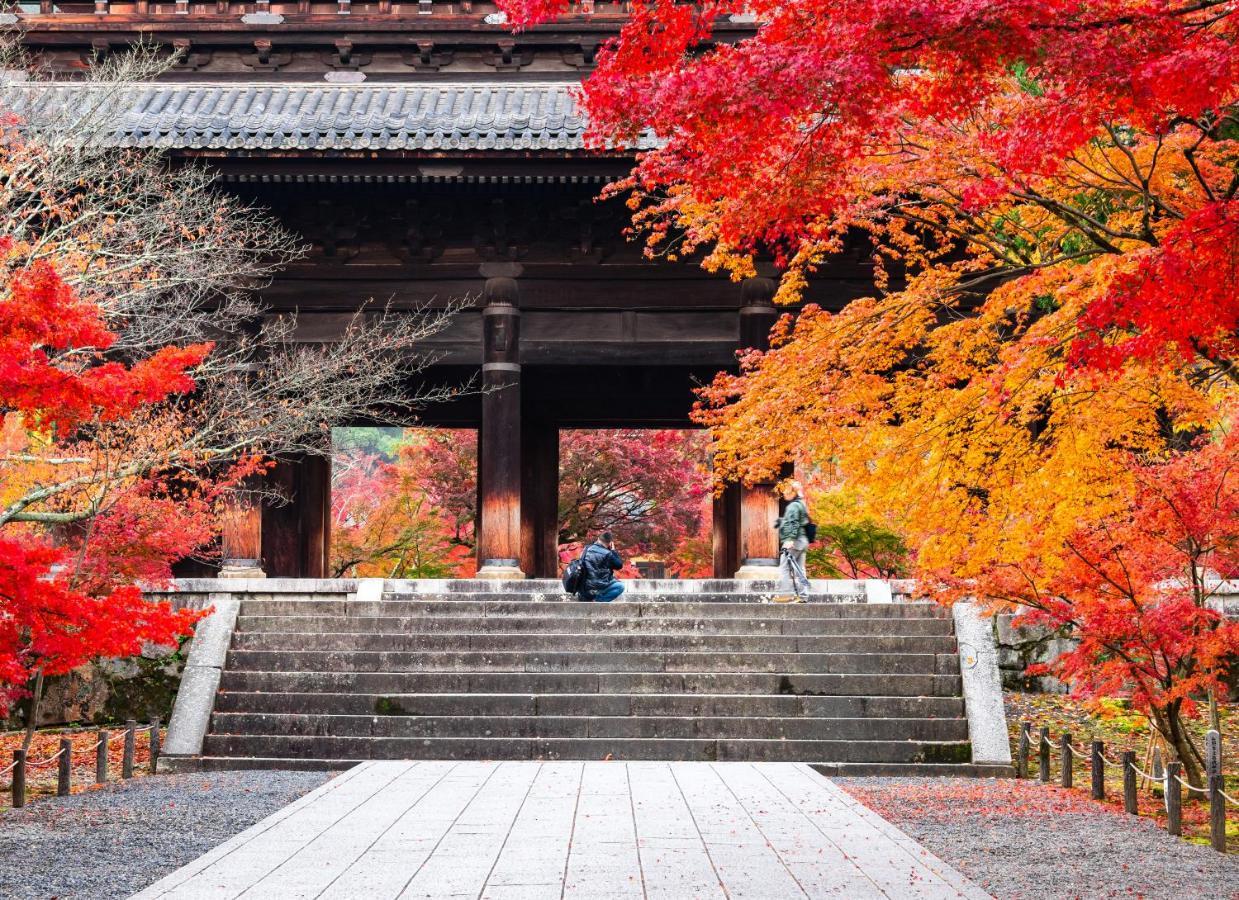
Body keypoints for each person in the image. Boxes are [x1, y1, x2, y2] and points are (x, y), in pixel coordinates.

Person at [774, 480, 811, 602]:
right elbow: (800, 521)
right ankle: (803, 596)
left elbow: (793, 523)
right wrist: (781, 522)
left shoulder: (793, 506)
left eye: (786, 492)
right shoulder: (801, 504)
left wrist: (789, 539)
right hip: (803, 540)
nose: (784, 494)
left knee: (784, 566)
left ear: (792, 492)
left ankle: (785, 594)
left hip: (794, 541)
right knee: (800, 569)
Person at [579, 531, 625, 602]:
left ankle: (587, 597)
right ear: (610, 543)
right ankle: (598, 601)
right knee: (620, 586)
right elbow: (619, 566)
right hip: (598, 589)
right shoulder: (608, 554)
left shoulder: (586, 549)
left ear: (598, 539)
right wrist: (613, 551)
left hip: (584, 590)